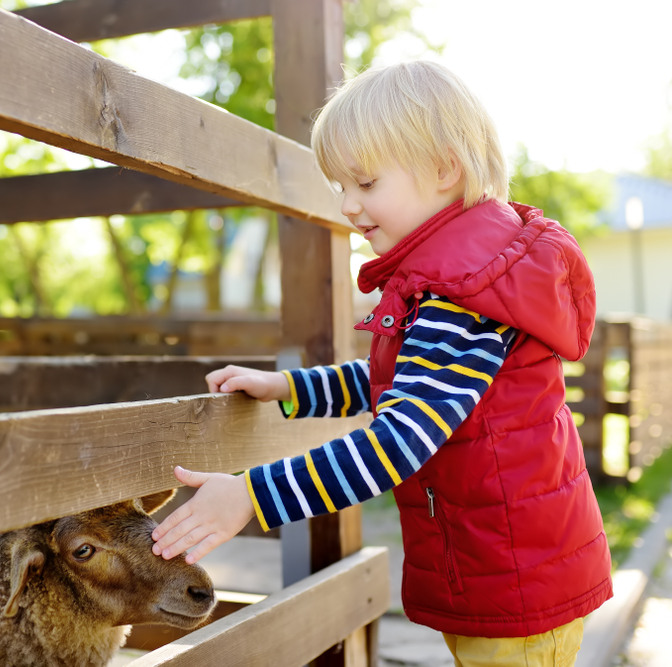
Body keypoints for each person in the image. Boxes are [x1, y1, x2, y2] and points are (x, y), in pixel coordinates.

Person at [150, 60, 612, 665]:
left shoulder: (462, 296)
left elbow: (399, 440)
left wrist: (252, 497)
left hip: (513, 579)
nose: (346, 206)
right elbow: (402, 381)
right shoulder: (464, 278)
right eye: (340, 187)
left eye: (364, 184)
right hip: (503, 566)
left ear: (446, 169)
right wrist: (290, 387)